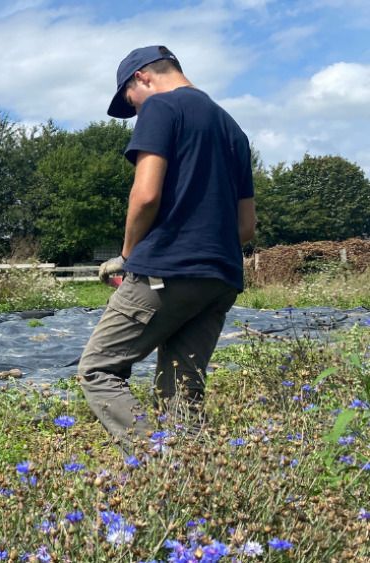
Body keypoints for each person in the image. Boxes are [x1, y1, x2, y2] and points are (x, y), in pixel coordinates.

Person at [78, 46, 257, 453]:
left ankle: (160, 466)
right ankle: (193, 485)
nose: (137, 111)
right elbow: (246, 227)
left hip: (167, 269)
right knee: (181, 387)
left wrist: (127, 256)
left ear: (142, 77)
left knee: (98, 369)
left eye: (130, 101)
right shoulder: (233, 130)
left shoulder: (161, 108)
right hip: (220, 277)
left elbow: (144, 196)